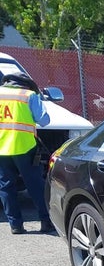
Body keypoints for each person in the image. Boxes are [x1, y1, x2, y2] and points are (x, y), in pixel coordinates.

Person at [0, 72, 54, 234]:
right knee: (35, 185)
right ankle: (46, 221)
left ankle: (15, 225)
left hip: (1, 147)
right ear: (26, 84)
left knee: (5, 187)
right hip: (24, 147)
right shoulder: (28, 95)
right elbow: (44, 121)